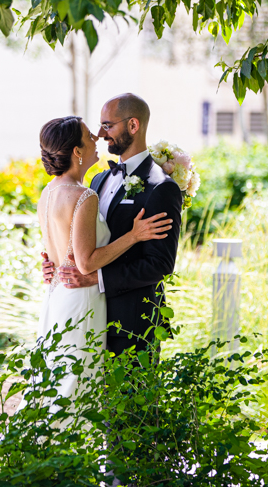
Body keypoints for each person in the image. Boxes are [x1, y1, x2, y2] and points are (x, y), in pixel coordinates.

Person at [33, 115, 172, 403]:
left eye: (104, 126)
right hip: (80, 299)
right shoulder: (86, 192)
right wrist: (134, 235)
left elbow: (62, 244)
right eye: (89, 135)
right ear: (77, 151)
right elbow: (85, 262)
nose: (97, 136)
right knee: (75, 386)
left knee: (58, 382)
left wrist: (51, 265)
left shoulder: (47, 192)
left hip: (59, 298)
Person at [42, 94, 184, 356]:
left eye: (108, 125)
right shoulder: (96, 181)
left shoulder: (161, 188)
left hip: (131, 324)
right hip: (86, 317)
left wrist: (97, 278)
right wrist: (58, 263)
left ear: (133, 125)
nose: (100, 133)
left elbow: (160, 264)